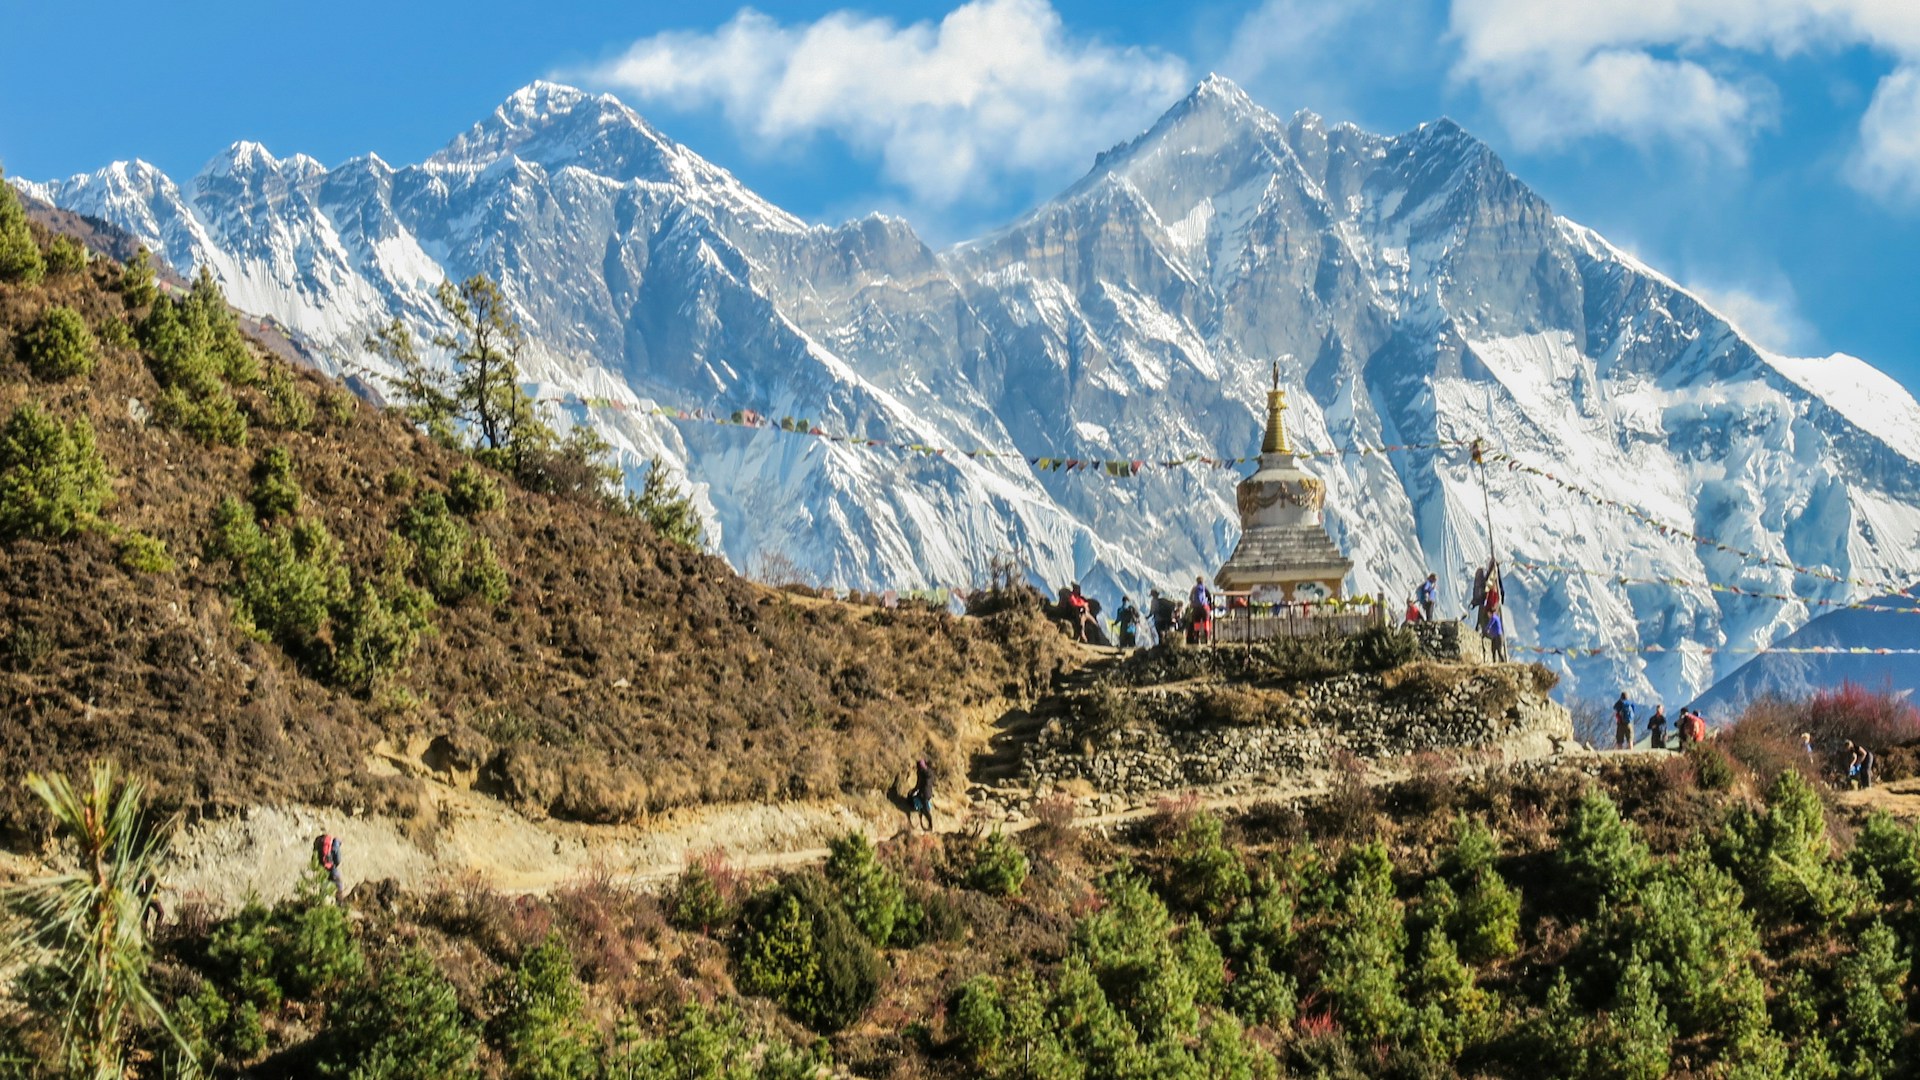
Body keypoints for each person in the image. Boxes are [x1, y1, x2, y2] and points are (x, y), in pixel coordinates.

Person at [314, 832, 344, 902]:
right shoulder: (335, 844)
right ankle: (340, 904)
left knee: (323, 886)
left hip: (322, 868)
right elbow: (338, 860)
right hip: (331, 868)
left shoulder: (320, 842)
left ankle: (320, 903)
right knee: (339, 885)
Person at [909, 759, 935, 830]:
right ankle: (924, 820)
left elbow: (919, 784)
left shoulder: (921, 773)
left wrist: (913, 791)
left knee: (926, 810)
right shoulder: (931, 772)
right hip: (929, 793)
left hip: (924, 793)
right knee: (925, 807)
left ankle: (930, 825)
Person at [1188, 577, 1214, 645]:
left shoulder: (1194, 588)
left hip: (1196, 609)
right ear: (1203, 581)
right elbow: (1210, 597)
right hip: (1204, 608)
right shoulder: (1204, 588)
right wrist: (1209, 605)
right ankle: (1207, 639)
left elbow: (1190, 598)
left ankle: (1197, 639)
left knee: (1197, 624)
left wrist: (1193, 604)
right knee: (1206, 623)